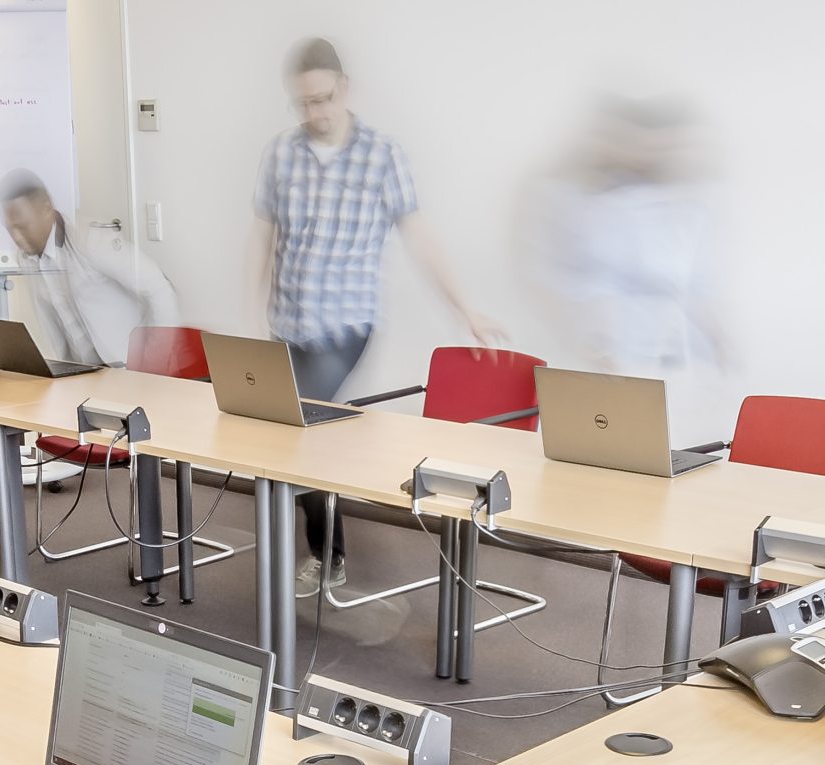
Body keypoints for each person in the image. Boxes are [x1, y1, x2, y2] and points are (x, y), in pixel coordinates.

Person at [257, 37, 501, 582]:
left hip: (346, 322)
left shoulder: (381, 155)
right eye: (303, 104)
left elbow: (419, 234)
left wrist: (467, 310)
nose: (314, 113)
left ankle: (328, 556)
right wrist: (254, 315)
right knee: (288, 429)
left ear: (343, 88)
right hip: (289, 320)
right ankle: (321, 546)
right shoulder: (281, 152)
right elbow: (264, 235)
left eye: (322, 99)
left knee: (302, 423)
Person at [530, 94, 734, 442]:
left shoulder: (689, 206)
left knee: (672, 443)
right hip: (614, 355)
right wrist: (600, 348)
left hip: (671, 356)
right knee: (613, 444)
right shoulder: (586, 203)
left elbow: (693, 285)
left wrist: (717, 338)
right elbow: (581, 284)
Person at [0, 168, 177, 365]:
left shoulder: (91, 240)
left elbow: (160, 289)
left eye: (22, 227)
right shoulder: (27, 257)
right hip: (86, 375)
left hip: (128, 368)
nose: (16, 238)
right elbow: (54, 328)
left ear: (46, 208)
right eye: (10, 229)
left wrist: (154, 365)